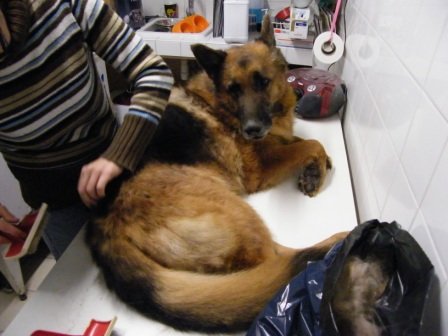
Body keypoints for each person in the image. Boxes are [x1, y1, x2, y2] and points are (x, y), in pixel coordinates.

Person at [0, 0, 174, 259]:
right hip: (52, 206)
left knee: (150, 262)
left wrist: (119, 154)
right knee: (82, 283)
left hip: (117, 180)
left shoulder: (62, 6)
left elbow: (153, 71)